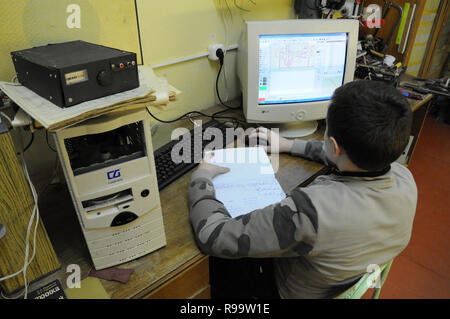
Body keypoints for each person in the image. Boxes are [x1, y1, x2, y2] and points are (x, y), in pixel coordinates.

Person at [188, 80, 417, 299]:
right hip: (345, 277)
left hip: (290, 291)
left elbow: (213, 236)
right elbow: (346, 155)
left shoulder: (310, 213)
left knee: (218, 263)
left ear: (335, 146)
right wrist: (289, 145)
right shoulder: (404, 177)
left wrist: (202, 177)